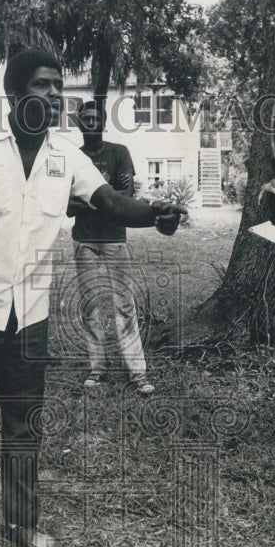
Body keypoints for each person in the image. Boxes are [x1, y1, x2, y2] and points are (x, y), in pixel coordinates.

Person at [0, 49, 186, 547]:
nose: (54, 96)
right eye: (43, 85)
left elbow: (111, 203)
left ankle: (21, 523)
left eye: (58, 87)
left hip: (30, 317)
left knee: (24, 426)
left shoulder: (67, 157)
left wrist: (155, 214)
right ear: (12, 93)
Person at [67, 99, 153, 395]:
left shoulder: (119, 153)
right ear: (78, 124)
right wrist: (106, 200)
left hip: (115, 240)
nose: (90, 123)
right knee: (90, 305)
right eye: (85, 119)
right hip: (85, 241)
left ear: (103, 123)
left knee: (124, 305)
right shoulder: (72, 157)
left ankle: (138, 373)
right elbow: (66, 206)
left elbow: (124, 199)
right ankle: (97, 367)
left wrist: (89, 201)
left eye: (96, 119)